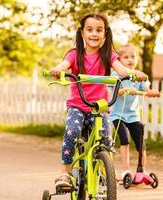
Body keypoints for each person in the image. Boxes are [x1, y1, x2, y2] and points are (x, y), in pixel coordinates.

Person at [49, 13, 148, 188]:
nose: (94, 34)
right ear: (82, 33)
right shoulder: (74, 54)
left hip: (99, 107)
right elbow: (64, 65)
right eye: (90, 30)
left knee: (106, 138)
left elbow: (122, 70)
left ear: (105, 33)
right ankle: (65, 174)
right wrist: (58, 69)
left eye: (99, 30)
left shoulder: (108, 54)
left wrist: (134, 73)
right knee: (71, 132)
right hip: (78, 107)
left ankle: (104, 169)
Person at [109, 44, 160, 180]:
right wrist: (124, 90)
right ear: (119, 60)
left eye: (133, 57)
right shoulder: (115, 75)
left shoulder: (139, 76)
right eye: (126, 57)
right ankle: (126, 170)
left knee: (140, 142)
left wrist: (151, 92)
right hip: (117, 115)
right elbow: (114, 92)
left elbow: (146, 89)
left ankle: (141, 170)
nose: (130, 60)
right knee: (124, 140)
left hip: (133, 115)